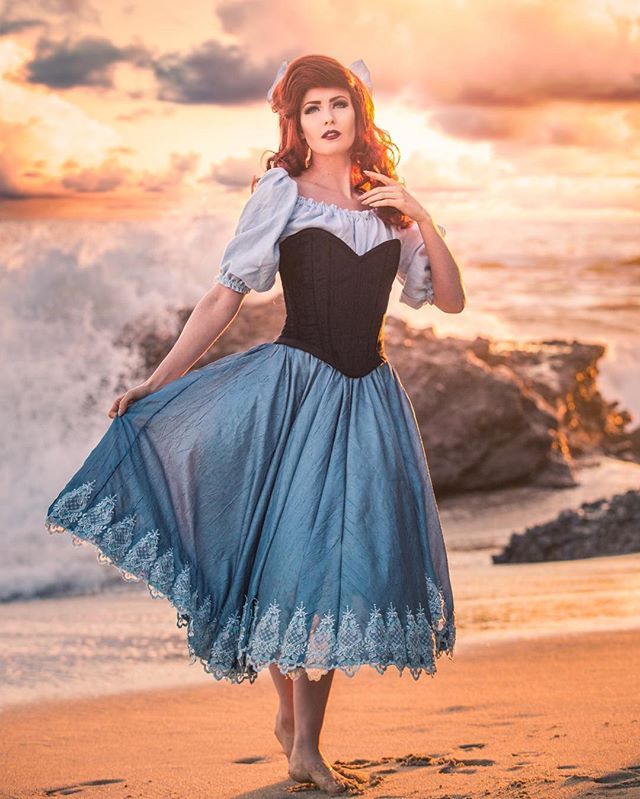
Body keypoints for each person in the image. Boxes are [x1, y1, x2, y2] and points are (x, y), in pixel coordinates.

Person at [45, 54, 465, 796]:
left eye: (339, 104)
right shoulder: (282, 192)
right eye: (312, 109)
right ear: (295, 121)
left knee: (335, 568)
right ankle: (292, 723)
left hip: (366, 400)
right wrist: (156, 380)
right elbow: (224, 297)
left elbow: (452, 301)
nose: (328, 119)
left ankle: (306, 743)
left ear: (360, 115)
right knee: (278, 560)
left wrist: (424, 214)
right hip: (291, 392)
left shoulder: (390, 210)